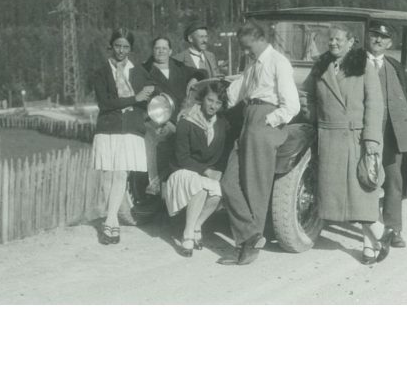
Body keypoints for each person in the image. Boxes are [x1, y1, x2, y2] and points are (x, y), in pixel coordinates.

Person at [300, 24, 387, 265]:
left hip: (356, 140)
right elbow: (306, 94)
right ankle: (376, 239)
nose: (333, 43)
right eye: (330, 40)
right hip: (329, 140)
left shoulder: (363, 66)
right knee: (339, 198)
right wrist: (314, 115)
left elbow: (375, 104)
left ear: (351, 43)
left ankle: (374, 240)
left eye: (339, 40)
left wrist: (371, 139)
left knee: (362, 194)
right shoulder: (320, 66)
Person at [218, 21, 300, 266]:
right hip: (248, 118)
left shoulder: (278, 63)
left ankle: (249, 248)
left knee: (255, 186)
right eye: (243, 48)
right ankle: (251, 234)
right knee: (229, 182)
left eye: (248, 47)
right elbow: (239, 90)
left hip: (264, 120)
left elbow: (292, 105)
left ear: (261, 39)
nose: (245, 52)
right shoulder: (253, 63)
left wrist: (269, 120)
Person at [91, 28, 155, 245]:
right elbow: (105, 103)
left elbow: (148, 99)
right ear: (112, 46)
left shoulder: (138, 73)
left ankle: (110, 223)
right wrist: (134, 98)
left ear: (130, 49)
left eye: (125, 46)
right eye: (118, 45)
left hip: (130, 129)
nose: (121, 50)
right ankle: (112, 222)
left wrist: (144, 100)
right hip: (108, 128)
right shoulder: (101, 72)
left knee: (121, 174)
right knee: (108, 176)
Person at [367, 22, 407, 249]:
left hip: (391, 134)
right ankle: (370, 227)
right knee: (366, 179)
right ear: (367, 38)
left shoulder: (395, 67)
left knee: (394, 180)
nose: (378, 41)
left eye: (383, 38)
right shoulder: (356, 64)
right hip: (365, 133)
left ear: (390, 43)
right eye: (374, 36)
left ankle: (393, 229)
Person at [163, 81, 229, 257]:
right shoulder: (187, 122)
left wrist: (217, 171)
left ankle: (197, 225)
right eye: (210, 100)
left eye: (218, 103)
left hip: (201, 172)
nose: (213, 106)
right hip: (182, 170)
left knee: (217, 193)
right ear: (202, 100)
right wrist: (207, 171)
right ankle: (187, 234)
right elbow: (182, 158)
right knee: (200, 187)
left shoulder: (221, 125)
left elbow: (222, 154)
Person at [143, 37, 206, 195]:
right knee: (164, 145)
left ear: (171, 51)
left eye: (165, 48)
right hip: (159, 120)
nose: (161, 51)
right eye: (158, 48)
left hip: (182, 118)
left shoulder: (179, 67)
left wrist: (194, 78)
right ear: (153, 50)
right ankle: (158, 184)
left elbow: (203, 72)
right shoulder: (144, 70)